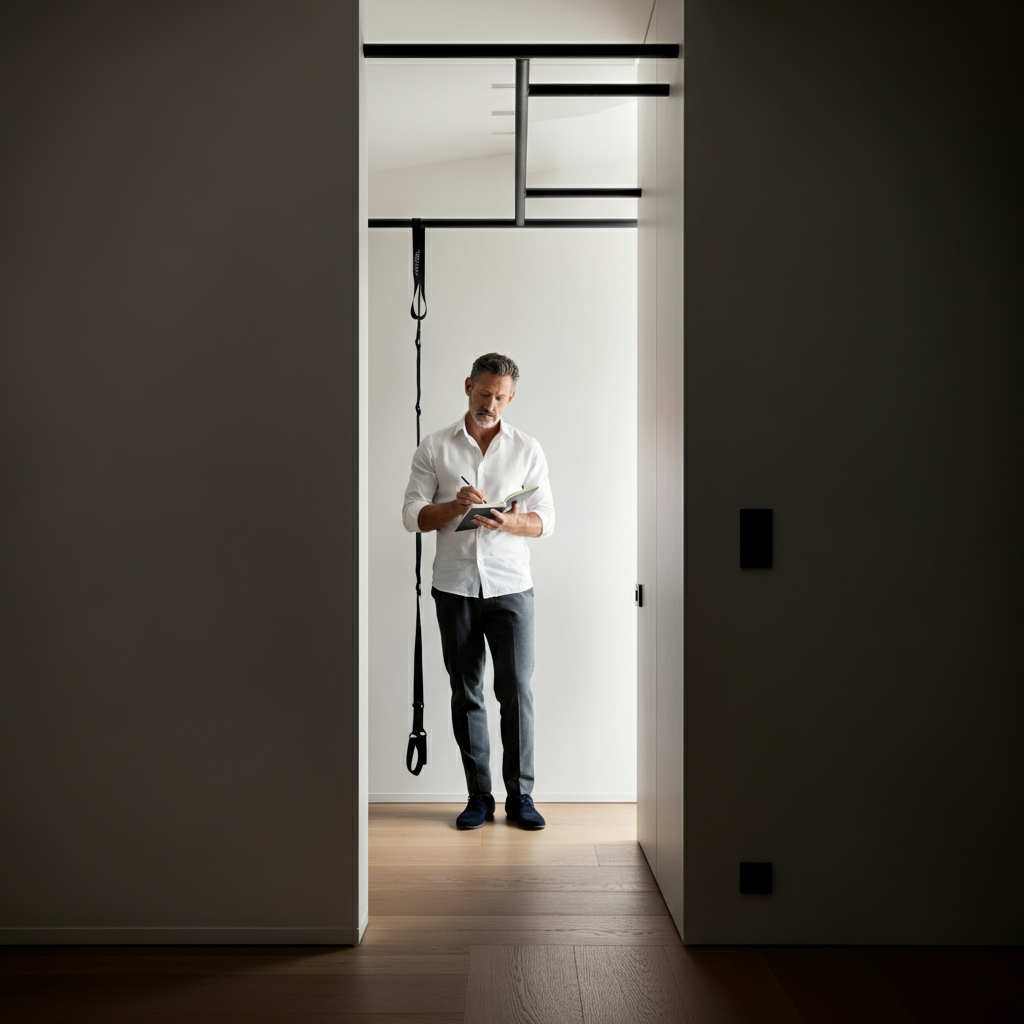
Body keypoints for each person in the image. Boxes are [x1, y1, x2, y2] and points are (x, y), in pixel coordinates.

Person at [402, 353, 555, 830]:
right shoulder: (434, 447)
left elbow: (546, 520)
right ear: (468, 386)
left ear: (512, 397)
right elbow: (412, 516)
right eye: (484, 393)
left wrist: (509, 521)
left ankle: (521, 798)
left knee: (516, 691)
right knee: (466, 693)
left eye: (501, 397)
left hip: (511, 588)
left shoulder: (527, 448)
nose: (491, 404)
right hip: (455, 588)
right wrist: (452, 507)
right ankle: (479, 797)